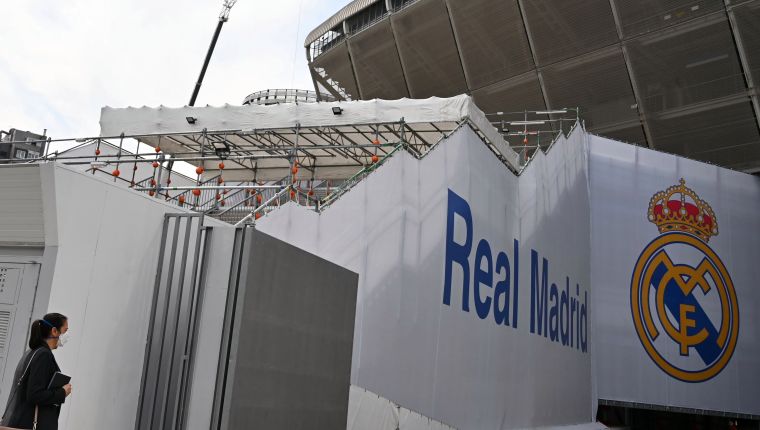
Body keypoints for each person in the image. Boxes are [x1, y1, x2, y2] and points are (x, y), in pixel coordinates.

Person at [0, 313, 72, 430]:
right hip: (31, 424)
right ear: (54, 331)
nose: (67, 335)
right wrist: (62, 393)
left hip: (21, 421)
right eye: (65, 330)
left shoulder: (33, 352)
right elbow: (34, 394)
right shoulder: (43, 355)